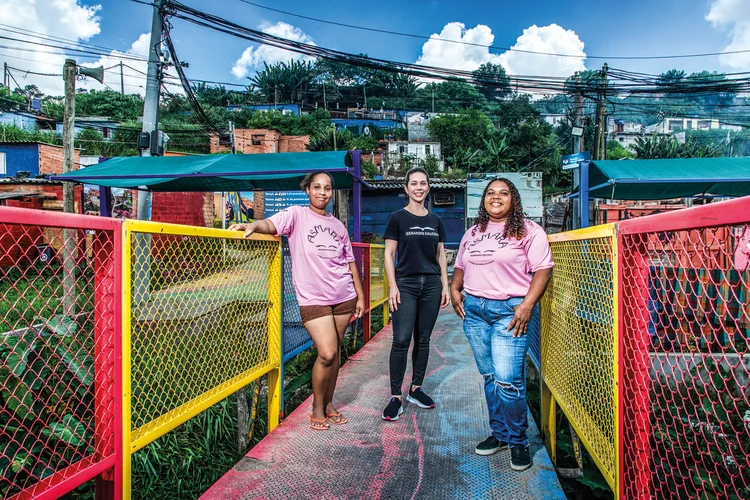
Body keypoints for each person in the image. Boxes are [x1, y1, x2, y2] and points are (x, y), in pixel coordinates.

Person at [230, 171, 365, 430]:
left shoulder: (338, 226)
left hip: (343, 295)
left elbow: (349, 262)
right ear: (308, 190)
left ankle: (328, 404)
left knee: (335, 355)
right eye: (317, 187)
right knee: (326, 353)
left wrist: (359, 296)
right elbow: (271, 224)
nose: (322, 192)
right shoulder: (296, 215)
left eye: (327, 188)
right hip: (313, 298)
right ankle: (316, 406)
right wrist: (253, 225)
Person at [450, 177, 553, 471]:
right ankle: (501, 434)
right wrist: (455, 288)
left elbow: (543, 269)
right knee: (490, 377)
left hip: (510, 311)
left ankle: (518, 441)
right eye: (491, 193)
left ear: (513, 199)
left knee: (508, 380)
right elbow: (460, 264)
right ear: (484, 200)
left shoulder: (528, 231)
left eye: (503, 193)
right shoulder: (474, 231)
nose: (496, 197)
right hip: (475, 312)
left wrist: (527, 304)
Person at [382, 167, 450, 421]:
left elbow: (441, 254)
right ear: (406, 188)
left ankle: (416, 389)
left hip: (431, 284)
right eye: (414, 183)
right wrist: (393, 286)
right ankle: (395, 397)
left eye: (423, 183)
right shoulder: (397, 218)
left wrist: (444, 285)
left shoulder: (435, 221)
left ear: (428, 187)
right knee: (400, 339)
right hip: (406, 284)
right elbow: (389, 254)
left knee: (423, 339)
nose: (418, 187)